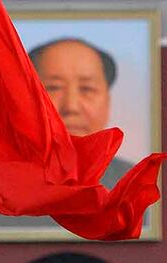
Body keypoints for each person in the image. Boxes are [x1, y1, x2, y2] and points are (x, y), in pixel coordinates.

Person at [29, 38, 133, 189]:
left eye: (87, 89)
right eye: (54, 88)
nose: (71, 107)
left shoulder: (134, 183)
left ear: (107, 103)